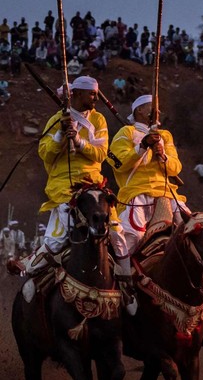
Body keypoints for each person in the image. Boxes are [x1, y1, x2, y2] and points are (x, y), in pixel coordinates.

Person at [9, 76, 131, 284]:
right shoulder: (56, 120)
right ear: (77, 94)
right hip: (64, 185)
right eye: (91, 94)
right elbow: (46, 154)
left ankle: (129, 283)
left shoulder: (98, 120)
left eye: (96, 94)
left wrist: (78, 140)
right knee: (57, 239)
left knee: (117, 233)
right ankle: (29, 273)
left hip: (93, 184)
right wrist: (60, 136)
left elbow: (101, 154)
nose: (95, 98)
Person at [109, 94, 190, 255]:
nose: (157, 111)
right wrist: (143, 145)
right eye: (152, 107)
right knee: (133, 236)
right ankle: (120, 268)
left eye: (158, 109)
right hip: (137, 191)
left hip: (167, 193)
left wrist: (163, 156)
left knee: (191, 229)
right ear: (139, 110)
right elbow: (118, 163)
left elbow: (176, 168)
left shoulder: (165, 136)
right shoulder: (127, 132)